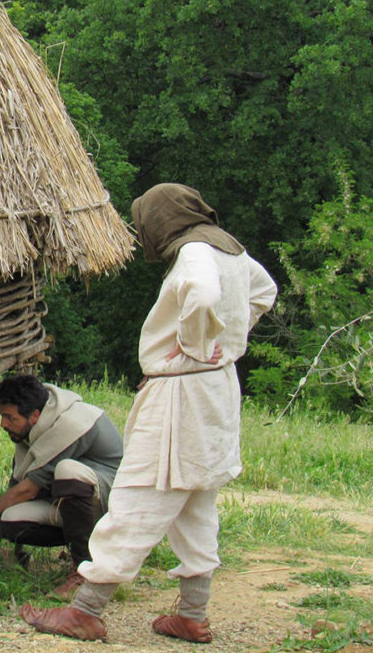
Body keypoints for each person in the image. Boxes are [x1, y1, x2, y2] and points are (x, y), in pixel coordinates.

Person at [21, 183, 277, 643]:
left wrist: (194, 348)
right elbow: (265, 290)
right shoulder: (231, 253)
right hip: (215, 391)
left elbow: (199, 295)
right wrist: (225, 343)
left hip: (182, 399)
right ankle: (193, 614)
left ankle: (86, 609)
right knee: (196, 502)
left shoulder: (197, 255)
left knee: (137, 496)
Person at [0, 374, 123, 598]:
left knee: (67, 470)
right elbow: (16, 490)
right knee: (11, 520)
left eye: (9, 417)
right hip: (72, 502)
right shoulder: (31, 430)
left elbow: (29, 489)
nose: (3, 424)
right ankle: (81, 546)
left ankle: (84, 572)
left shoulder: (71, 424)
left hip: (110, 501)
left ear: (34, 415)